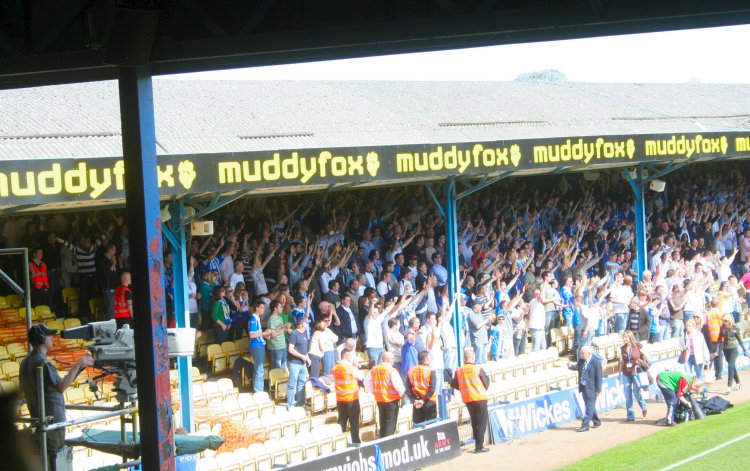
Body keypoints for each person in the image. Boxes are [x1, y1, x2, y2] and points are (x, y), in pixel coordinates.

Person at [19, 324, 94, 465]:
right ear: (42, 338)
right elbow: (60, 387)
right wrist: (77, 365)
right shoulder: (43, 362)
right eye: (49, 335)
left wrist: (79, 367)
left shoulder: (25, 362)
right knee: (55, 459)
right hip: (52, 426)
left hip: (38, 422)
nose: (52, 337)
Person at [451, 348, 490, 453]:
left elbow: (453, 384)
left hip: (468, 399)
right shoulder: (478, 369)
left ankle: (478, 445)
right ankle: (479, 446)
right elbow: (487, 382)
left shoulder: (459, 370)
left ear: (464, 358)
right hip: (479, 398)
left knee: (475, 422)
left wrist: (464, 388)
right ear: (473, 357)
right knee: (481, 423)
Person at [365, 351, 404, 438]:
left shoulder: (374, 369)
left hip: (380, 399)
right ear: (387, 360)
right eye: (392, 359)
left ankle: (382, 441)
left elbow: (366, 383)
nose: (393, 360)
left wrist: (374, 392)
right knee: (390, 424)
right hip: (391, 400)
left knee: (382, 422)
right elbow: (398, 385)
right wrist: (403, 393)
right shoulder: (391, 370)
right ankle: (388, 444)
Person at [331, 348, 364, 444]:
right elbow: (361, 377)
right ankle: (356, 442)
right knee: (354, 422)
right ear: (347, 356)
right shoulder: (350, 368)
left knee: (342, 421)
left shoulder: (335, 368)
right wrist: (355, 365)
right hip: (351, 399)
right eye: (351, 356)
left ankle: (341, 442)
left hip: (340, 399)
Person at [569, 345, 602, 432]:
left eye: (583, 353)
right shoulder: (581, 361)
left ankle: (585, 425)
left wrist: (598, 390)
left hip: (592, 389)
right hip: (583, 387)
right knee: (590, 406)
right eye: (581, 353)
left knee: (589, 408)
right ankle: (596, 421)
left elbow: (599, 378)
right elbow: (577, 367)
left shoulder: (596, 363)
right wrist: (570, 366)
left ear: (589, 353)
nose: (581, 355)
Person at [619, 331, 647, 422]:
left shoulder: (637, 346)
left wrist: (641, 362)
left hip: (635, 373)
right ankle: (630, 416)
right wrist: (619, 373)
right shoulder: (622, 348)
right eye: (624, 337)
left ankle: (643, 406)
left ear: (630, 337)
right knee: (627, 395)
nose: (625, 339)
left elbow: (644, 356)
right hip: (625, 373)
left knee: (636, 393)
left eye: (626, 337)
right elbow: (622, 361)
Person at [406, 351, 438, 425]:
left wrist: (414, 400)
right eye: (429, 359)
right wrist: (423, 400)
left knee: (419, 428)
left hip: (417, 402)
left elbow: (408, 389)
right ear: (425, 360)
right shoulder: (431, 370)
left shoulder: (411, 371)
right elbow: (432, 389)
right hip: (429, 401)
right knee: (432, 426)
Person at [720, 316, 749, 395]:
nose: (724, 322)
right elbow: (720, 339)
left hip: (733, 349)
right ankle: (738, 383)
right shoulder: (722, 328)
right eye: (723, 321)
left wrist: (744, 349)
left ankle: (729, 386)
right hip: (725, 349)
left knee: (730, 366)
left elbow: (739, 339)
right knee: (732, 367)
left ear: (729, 320)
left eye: (726, 321)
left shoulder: (734, 327)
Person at [287, 317, 311, 410]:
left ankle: (300, 403)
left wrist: (307, 357)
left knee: (301, 383)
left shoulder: (303, 333)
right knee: (292, 384)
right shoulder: (294, 334)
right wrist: (302, 356)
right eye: (306, 323)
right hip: (294, 362)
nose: (308, 324)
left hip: (302, 363)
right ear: (301, 324)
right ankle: (290, 404)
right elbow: (290, 349)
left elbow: (305, 349)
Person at [248, 299, 271, 393]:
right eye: (262, 307)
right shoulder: (253, 319)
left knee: (258, 369)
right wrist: (264, 333)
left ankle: (257, 390)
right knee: (259, 370)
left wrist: (265, 335)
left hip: (259, 345)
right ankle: (258, 391)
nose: (263, 309)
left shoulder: (257, 318)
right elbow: (252, 335)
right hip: (256, 346)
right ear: (256, 308)